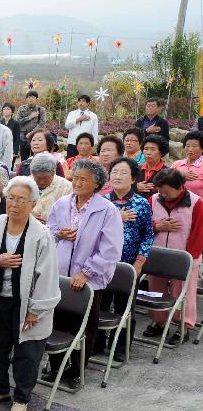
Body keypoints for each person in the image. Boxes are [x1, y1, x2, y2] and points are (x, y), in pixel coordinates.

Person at [0, 176, 60, 411]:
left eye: (21, 199)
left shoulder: (41, 234)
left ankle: (22, 396)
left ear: (32, 204)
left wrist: (36, 310)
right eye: (11, 198)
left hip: (27, 304)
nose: (14, 204)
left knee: (27, 352)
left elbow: (48, 275)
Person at [46, 160, 123, 388]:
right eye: (75, 177)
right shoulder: (61, 204)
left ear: (96, 183)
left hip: (89, 280)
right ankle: (57, 367)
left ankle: (77, 371)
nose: (77, 182)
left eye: (83, 179)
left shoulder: (107, 210)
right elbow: (47, 232)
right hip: (59, 276)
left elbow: (110, 249)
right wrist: (59, 233)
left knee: (84, 328)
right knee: (56, 322)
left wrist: (86, 273)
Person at [101, 157, 153, 361]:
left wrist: (139, 262)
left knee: (125, 306)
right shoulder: (103, 202)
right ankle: (97, 343)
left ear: (133, 179)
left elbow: (148, 236)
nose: (118, 176)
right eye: (114, 172)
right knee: (101, 304)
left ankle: (121, 348)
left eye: (123, 173)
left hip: (129, 265)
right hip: (103, 263)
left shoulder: (141, 204)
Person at [144, 168, 203, 346]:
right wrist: (158, 226)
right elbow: (146, 225)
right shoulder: (153, 199)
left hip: (183, 257)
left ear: (180, 187)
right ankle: (159, 322)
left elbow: (198, 233)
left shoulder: (196, 203)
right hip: (158, 254)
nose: (162, 195)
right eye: (160, 190)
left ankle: (183, 326)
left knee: (183, 293)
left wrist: (190, 258)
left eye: (166, 192)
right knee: (155, 290)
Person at [31, 153, 73, 223]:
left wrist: (51, 223)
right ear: (32, 174)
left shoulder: (67, 187)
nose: (42, 182)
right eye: (38, 178)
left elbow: (72, 215)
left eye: (45, 178)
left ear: (54, 173)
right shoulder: (25, 185)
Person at [171, 131, 203, 199]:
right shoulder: (176, 164)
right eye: (187, 146)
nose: (190, 149)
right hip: (176, 206)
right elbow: (165, 181)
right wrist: (179, 175)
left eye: (194, 146)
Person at [136, 134, 169, 200]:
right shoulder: (135, 169)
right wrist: (135, 187)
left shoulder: (168, 173)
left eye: (152, 149)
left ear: (161, 152)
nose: (148, 153)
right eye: (146, 149)